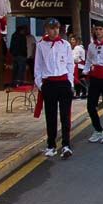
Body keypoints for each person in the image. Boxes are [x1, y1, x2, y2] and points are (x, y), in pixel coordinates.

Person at [34, 19, 74, 159]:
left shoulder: (65, 45)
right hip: (49, 83)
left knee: (65, 116)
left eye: (57, 28)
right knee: (51, 116)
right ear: (46, 29)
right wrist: (40, 84)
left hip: (63, 82)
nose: (55, 31)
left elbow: (70, 65)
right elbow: (38, 67)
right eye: (52, 28)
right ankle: (51, 145)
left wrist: (70, 83)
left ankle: (66, 144)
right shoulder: (41, 45)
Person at [69, 33, 86, 98]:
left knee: (77, 80)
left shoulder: (77, 48)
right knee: (81, 79)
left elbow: (75, 58)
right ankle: (83, 92)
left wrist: (70, 60)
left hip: (78, 65)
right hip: (80, 66)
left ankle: (78, 93)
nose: (72, 41)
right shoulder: (80, 47)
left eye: (73, 40)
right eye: (71, 39)